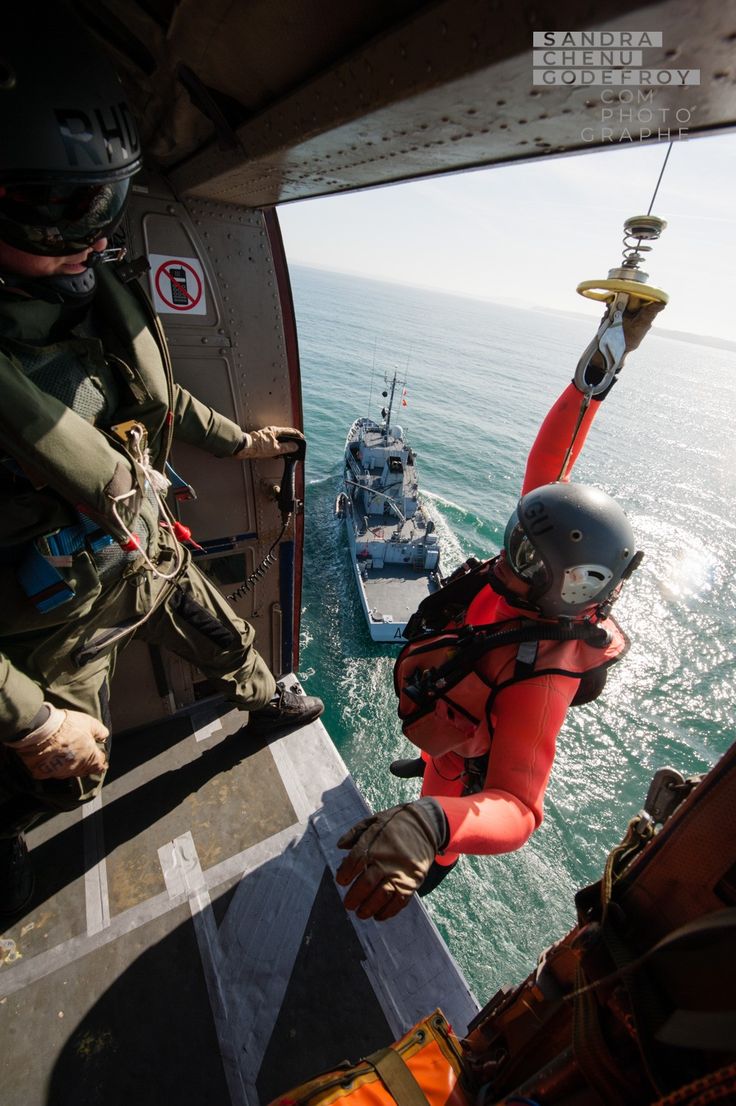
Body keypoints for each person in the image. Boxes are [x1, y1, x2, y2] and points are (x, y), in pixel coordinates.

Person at [0, 16, 322, 915]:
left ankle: (264, 699)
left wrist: (246, 444)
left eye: (106, 205)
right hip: (47, 632)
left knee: (231, 647)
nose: (93, 240)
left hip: (145, 556)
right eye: (61, 211)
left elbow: (158, 402)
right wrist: (30, 722)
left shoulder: (84, 295)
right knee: (63, 778)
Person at [336, 301, 664, 922]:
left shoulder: (542, 674)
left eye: (521, 555)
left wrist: (435, 822)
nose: (504, 557)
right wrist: (599, 366)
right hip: (454, 704)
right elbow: (549, 467)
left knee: (442, 785)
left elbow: (516, 806)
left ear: (563, 587)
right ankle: (433, 760)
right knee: (442, 751)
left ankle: (429, 872)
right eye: (517, 540)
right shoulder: (531, 572)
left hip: (464, 759)